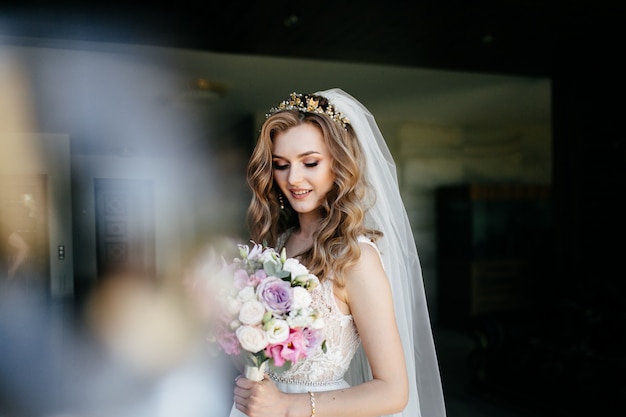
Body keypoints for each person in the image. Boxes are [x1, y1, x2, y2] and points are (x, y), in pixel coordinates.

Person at [229, 89, 446, 417]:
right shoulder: (279, 243)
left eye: (310, 162)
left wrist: (287, 406)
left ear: (339, 164)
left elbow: (393, 391)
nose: (293, 178)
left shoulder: (357, 259)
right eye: (281, 165)